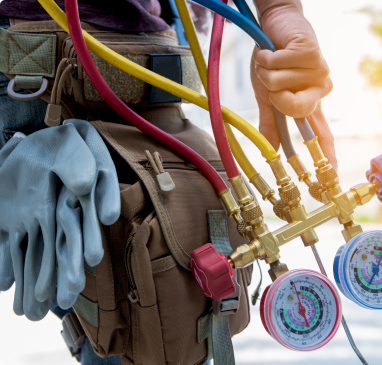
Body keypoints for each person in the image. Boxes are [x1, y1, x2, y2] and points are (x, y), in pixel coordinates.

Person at [0, 0, 336, 363]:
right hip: (36, 77)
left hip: (151, 70)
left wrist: (280, 11)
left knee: (167, 329)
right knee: (140, 331)